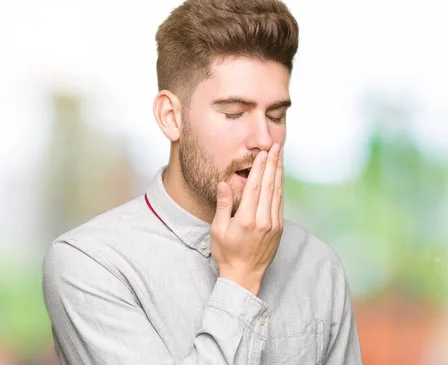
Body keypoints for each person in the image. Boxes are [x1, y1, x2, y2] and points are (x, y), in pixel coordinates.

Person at [42, 0, 362, 364]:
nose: (263, 138)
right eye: (234, 113)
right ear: (170, 117)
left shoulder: (319, 266)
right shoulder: (90, 265)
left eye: (275, 115)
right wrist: (241, 277)